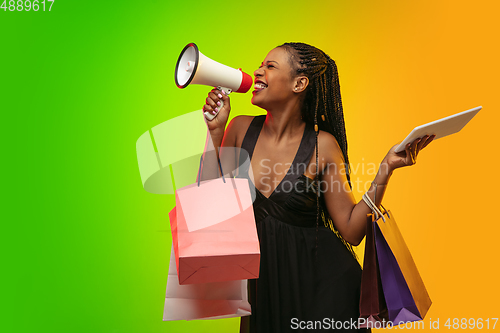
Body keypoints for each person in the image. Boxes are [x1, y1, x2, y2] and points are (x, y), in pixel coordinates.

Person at [201, 42, 435, 332]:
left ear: (299, 83)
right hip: (265, 292)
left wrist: (386, 168)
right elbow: (209, 210)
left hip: (327, 296)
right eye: (260, 65)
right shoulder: (239, 128)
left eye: (269, 66)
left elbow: (351, 230)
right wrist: (214, 134)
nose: (257, 72)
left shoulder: (322, 146)